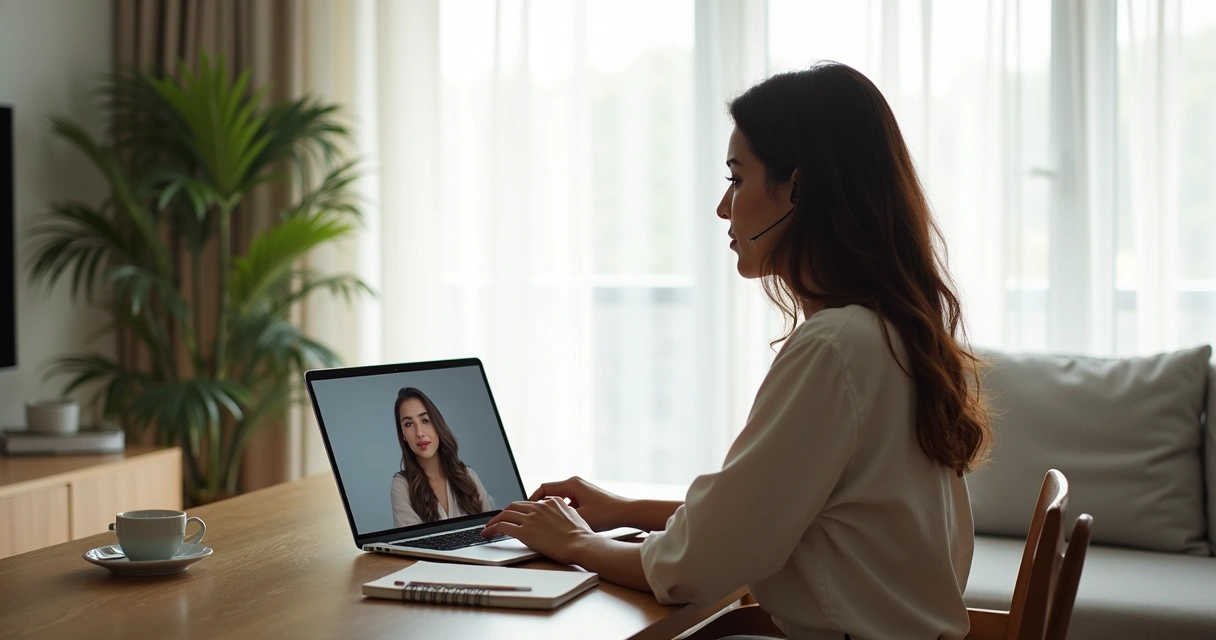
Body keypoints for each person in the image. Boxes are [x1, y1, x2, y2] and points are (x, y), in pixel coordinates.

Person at [482, 62, 992, 640]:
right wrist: (622, 510)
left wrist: (572, 541)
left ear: (799, 190)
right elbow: (761, 513)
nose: (724, 208)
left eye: (737, 179)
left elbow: (698, 567)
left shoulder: (835, 348)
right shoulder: (895, 333)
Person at [390, 387, 496, 527]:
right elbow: (410, 545)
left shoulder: (467, 475)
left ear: (437, 423)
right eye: (409, 424)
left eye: (425, 420)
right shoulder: (402, 486)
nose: (419, 432)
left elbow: (494, 526)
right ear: (403, 434)